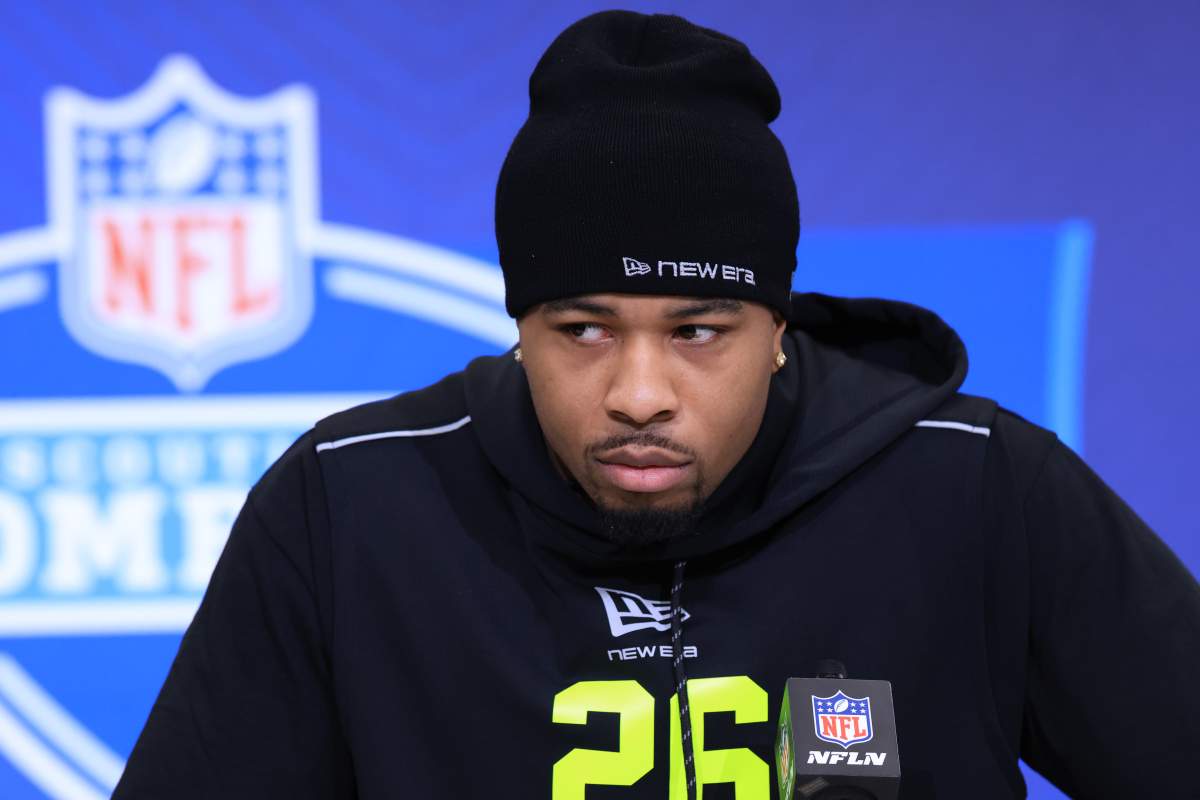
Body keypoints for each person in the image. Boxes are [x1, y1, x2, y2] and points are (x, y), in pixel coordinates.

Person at [112, 10, 1200, 799]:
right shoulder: (350, 506)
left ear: (779, 328)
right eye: (583, 330)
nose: (639, 395)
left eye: (697, 331)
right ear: (521, 326)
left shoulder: (975, 487)